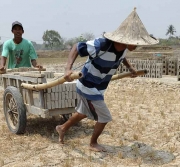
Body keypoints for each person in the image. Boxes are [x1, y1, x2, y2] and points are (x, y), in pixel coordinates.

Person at [56, 8, 158, 152]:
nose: (136, 45)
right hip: (87, 84)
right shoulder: (101, 45)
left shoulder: (124, 48)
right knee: (104, 116)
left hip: (99, 86)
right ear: (126, 40)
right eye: (135, 42)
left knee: (83, 113)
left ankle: (62, 128)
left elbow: (122, 57)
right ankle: (92, 143)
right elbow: (77, 47)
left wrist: (130, 69)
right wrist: (68, 69)